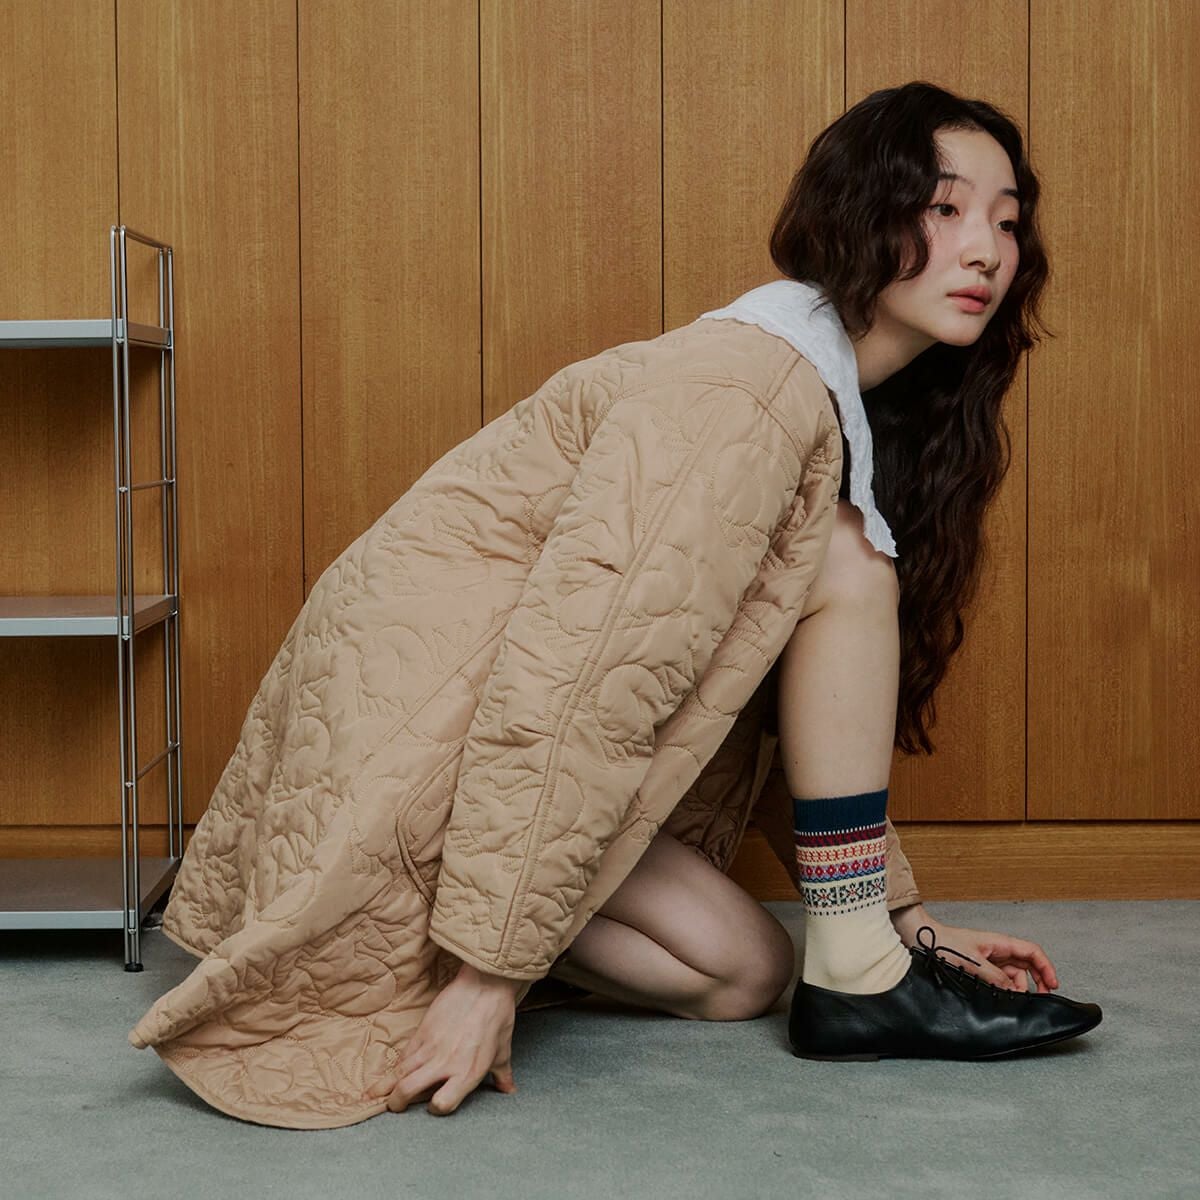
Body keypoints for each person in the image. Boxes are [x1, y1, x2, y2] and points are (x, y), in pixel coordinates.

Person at [385, 81, 1101, 1116]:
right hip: (437, 746)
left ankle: (853, 962)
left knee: (746, 973)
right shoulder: (748, 391)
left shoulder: (833, 405)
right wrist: (488, 975)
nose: (986, 250)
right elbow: (584, 668)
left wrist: (897, 921)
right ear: (860, 213)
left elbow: (764, 696)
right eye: (945, 208)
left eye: (1007, 221)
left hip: (494, 763)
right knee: (850, 562)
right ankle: (441, 926)